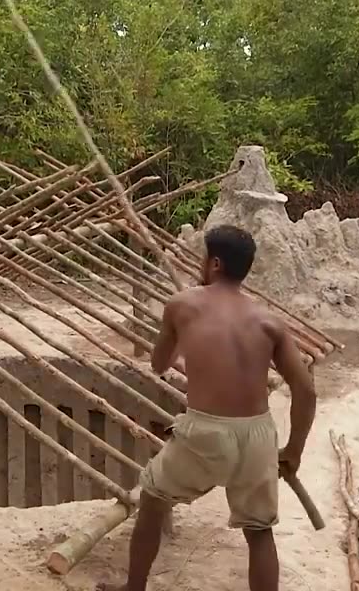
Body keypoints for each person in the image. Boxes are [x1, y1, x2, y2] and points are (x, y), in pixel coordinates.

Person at [98, 225, 317, 591]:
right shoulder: (269, 322)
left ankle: (134, 588)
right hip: (257, 434)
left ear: (214, 263)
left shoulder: (182, 305)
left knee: (153, 497)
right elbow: (306, 391)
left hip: (205, 431)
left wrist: (182, 357)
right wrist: (293, 450)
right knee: (259, 531)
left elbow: (159, 361)